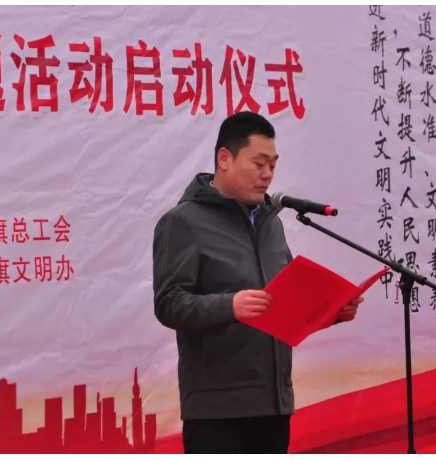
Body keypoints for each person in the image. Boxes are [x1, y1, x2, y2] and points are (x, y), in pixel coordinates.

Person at [152, 111, 364, 454]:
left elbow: (286, 303)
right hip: (217, 412)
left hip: (274, 405)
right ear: (225, 158)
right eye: (259, 163)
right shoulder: (183, 222)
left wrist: (331, 312)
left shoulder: (271, 224)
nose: (267, 175)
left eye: (273, 166)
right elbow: (169, 303)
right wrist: (230, 306)